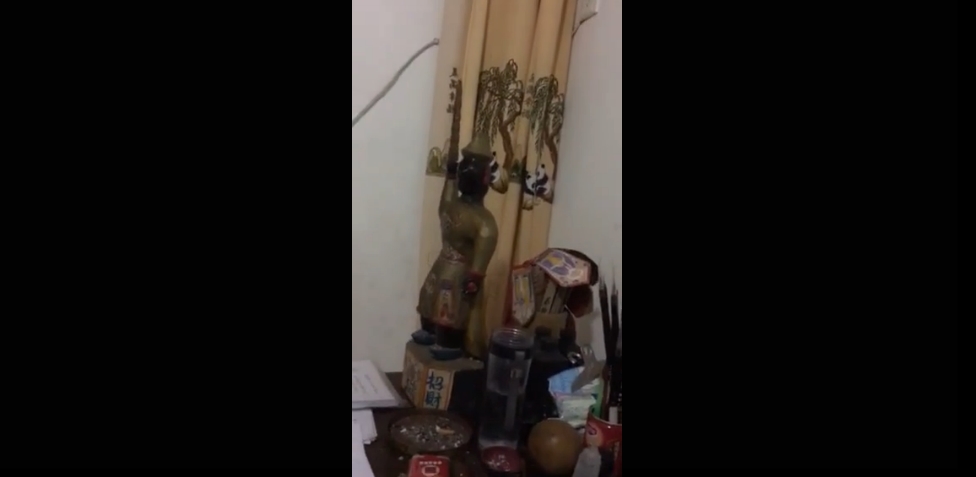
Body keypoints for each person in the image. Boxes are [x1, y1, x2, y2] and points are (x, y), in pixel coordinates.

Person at [414, 132, 498, 360]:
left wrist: (474, 277)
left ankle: (448, 341)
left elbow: (483, 253)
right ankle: (429, 330)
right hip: (443, 261)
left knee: (451, 307)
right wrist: (450, 176)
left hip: (460, 268)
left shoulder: (484, 221)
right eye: (463, 169)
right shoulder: (455, 206)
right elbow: (444, 204)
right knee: (430, 297)